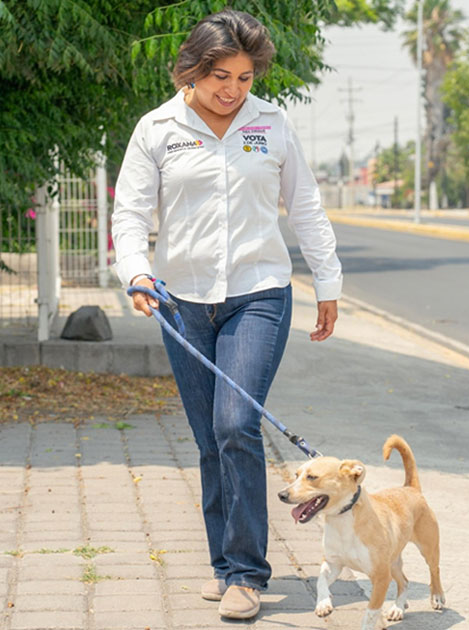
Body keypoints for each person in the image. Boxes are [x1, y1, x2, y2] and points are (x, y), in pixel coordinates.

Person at [111, 10, 342, 620]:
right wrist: (134, 271)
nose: (232, 90)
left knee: (237, 421)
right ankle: (223, 563)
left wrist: (328, 283)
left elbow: (307, 208)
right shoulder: (157, 128)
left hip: (258, 294)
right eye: (219, 75)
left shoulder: (271, 123)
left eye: (243, 77)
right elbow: (130, 213)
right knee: (211, 437)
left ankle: (246, 573)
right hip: (181, 302)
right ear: (191, 69)